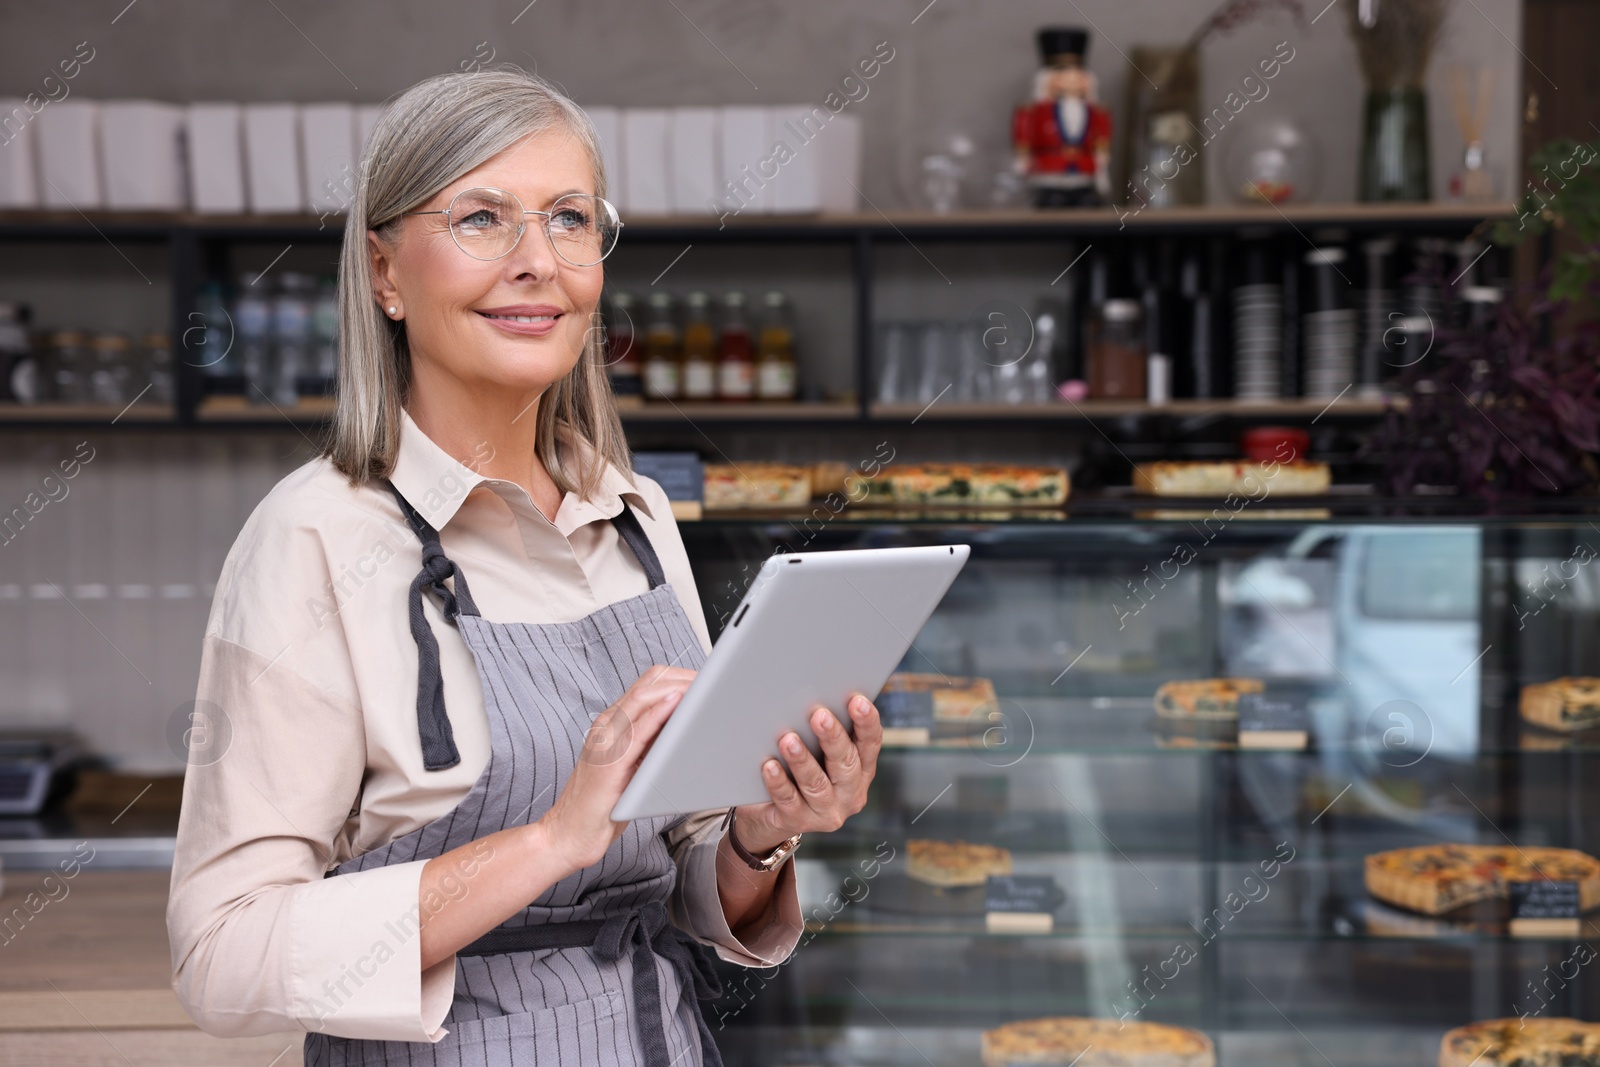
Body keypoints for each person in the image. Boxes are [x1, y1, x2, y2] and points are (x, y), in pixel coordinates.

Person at [166, 67, 884, 1067]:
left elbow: (676, 875)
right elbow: (221, 952)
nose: (536, 260)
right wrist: (550, 838)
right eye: (480, 218)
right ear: (382, 272)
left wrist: (759, 835)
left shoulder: (628, 510)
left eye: (569, 218)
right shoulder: (314, 536)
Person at [1012, 27, 1113, 208]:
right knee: (1052, 204)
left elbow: (1101, 136)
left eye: (1077, 75)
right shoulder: (1034, 110)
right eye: (1062, 74)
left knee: (1088, 204)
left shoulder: (1096, 111)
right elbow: (1024, 135)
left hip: (1083, 171)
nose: (1071, 80)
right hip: (1050, 170)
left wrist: (1101, 156)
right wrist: (1023, 158)